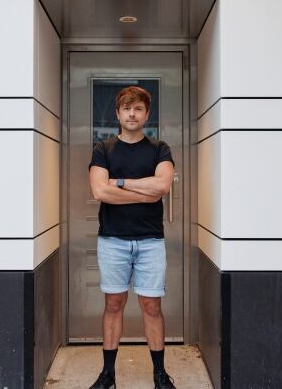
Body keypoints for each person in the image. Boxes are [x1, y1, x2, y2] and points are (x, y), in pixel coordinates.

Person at [87, 86, 176, 389]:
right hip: (113, 240)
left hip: (151, 241)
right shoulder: (103, 149)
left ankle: (160, 375)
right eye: (127, 108)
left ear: (146, 114)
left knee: (152, 307)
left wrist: (121, 183)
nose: (132, 114)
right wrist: (143, 192)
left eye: (138, 108)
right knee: (114, 304)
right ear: (118, 113)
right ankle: (108, 375)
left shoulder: (159, 149)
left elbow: (162, 187)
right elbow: (99, 191)